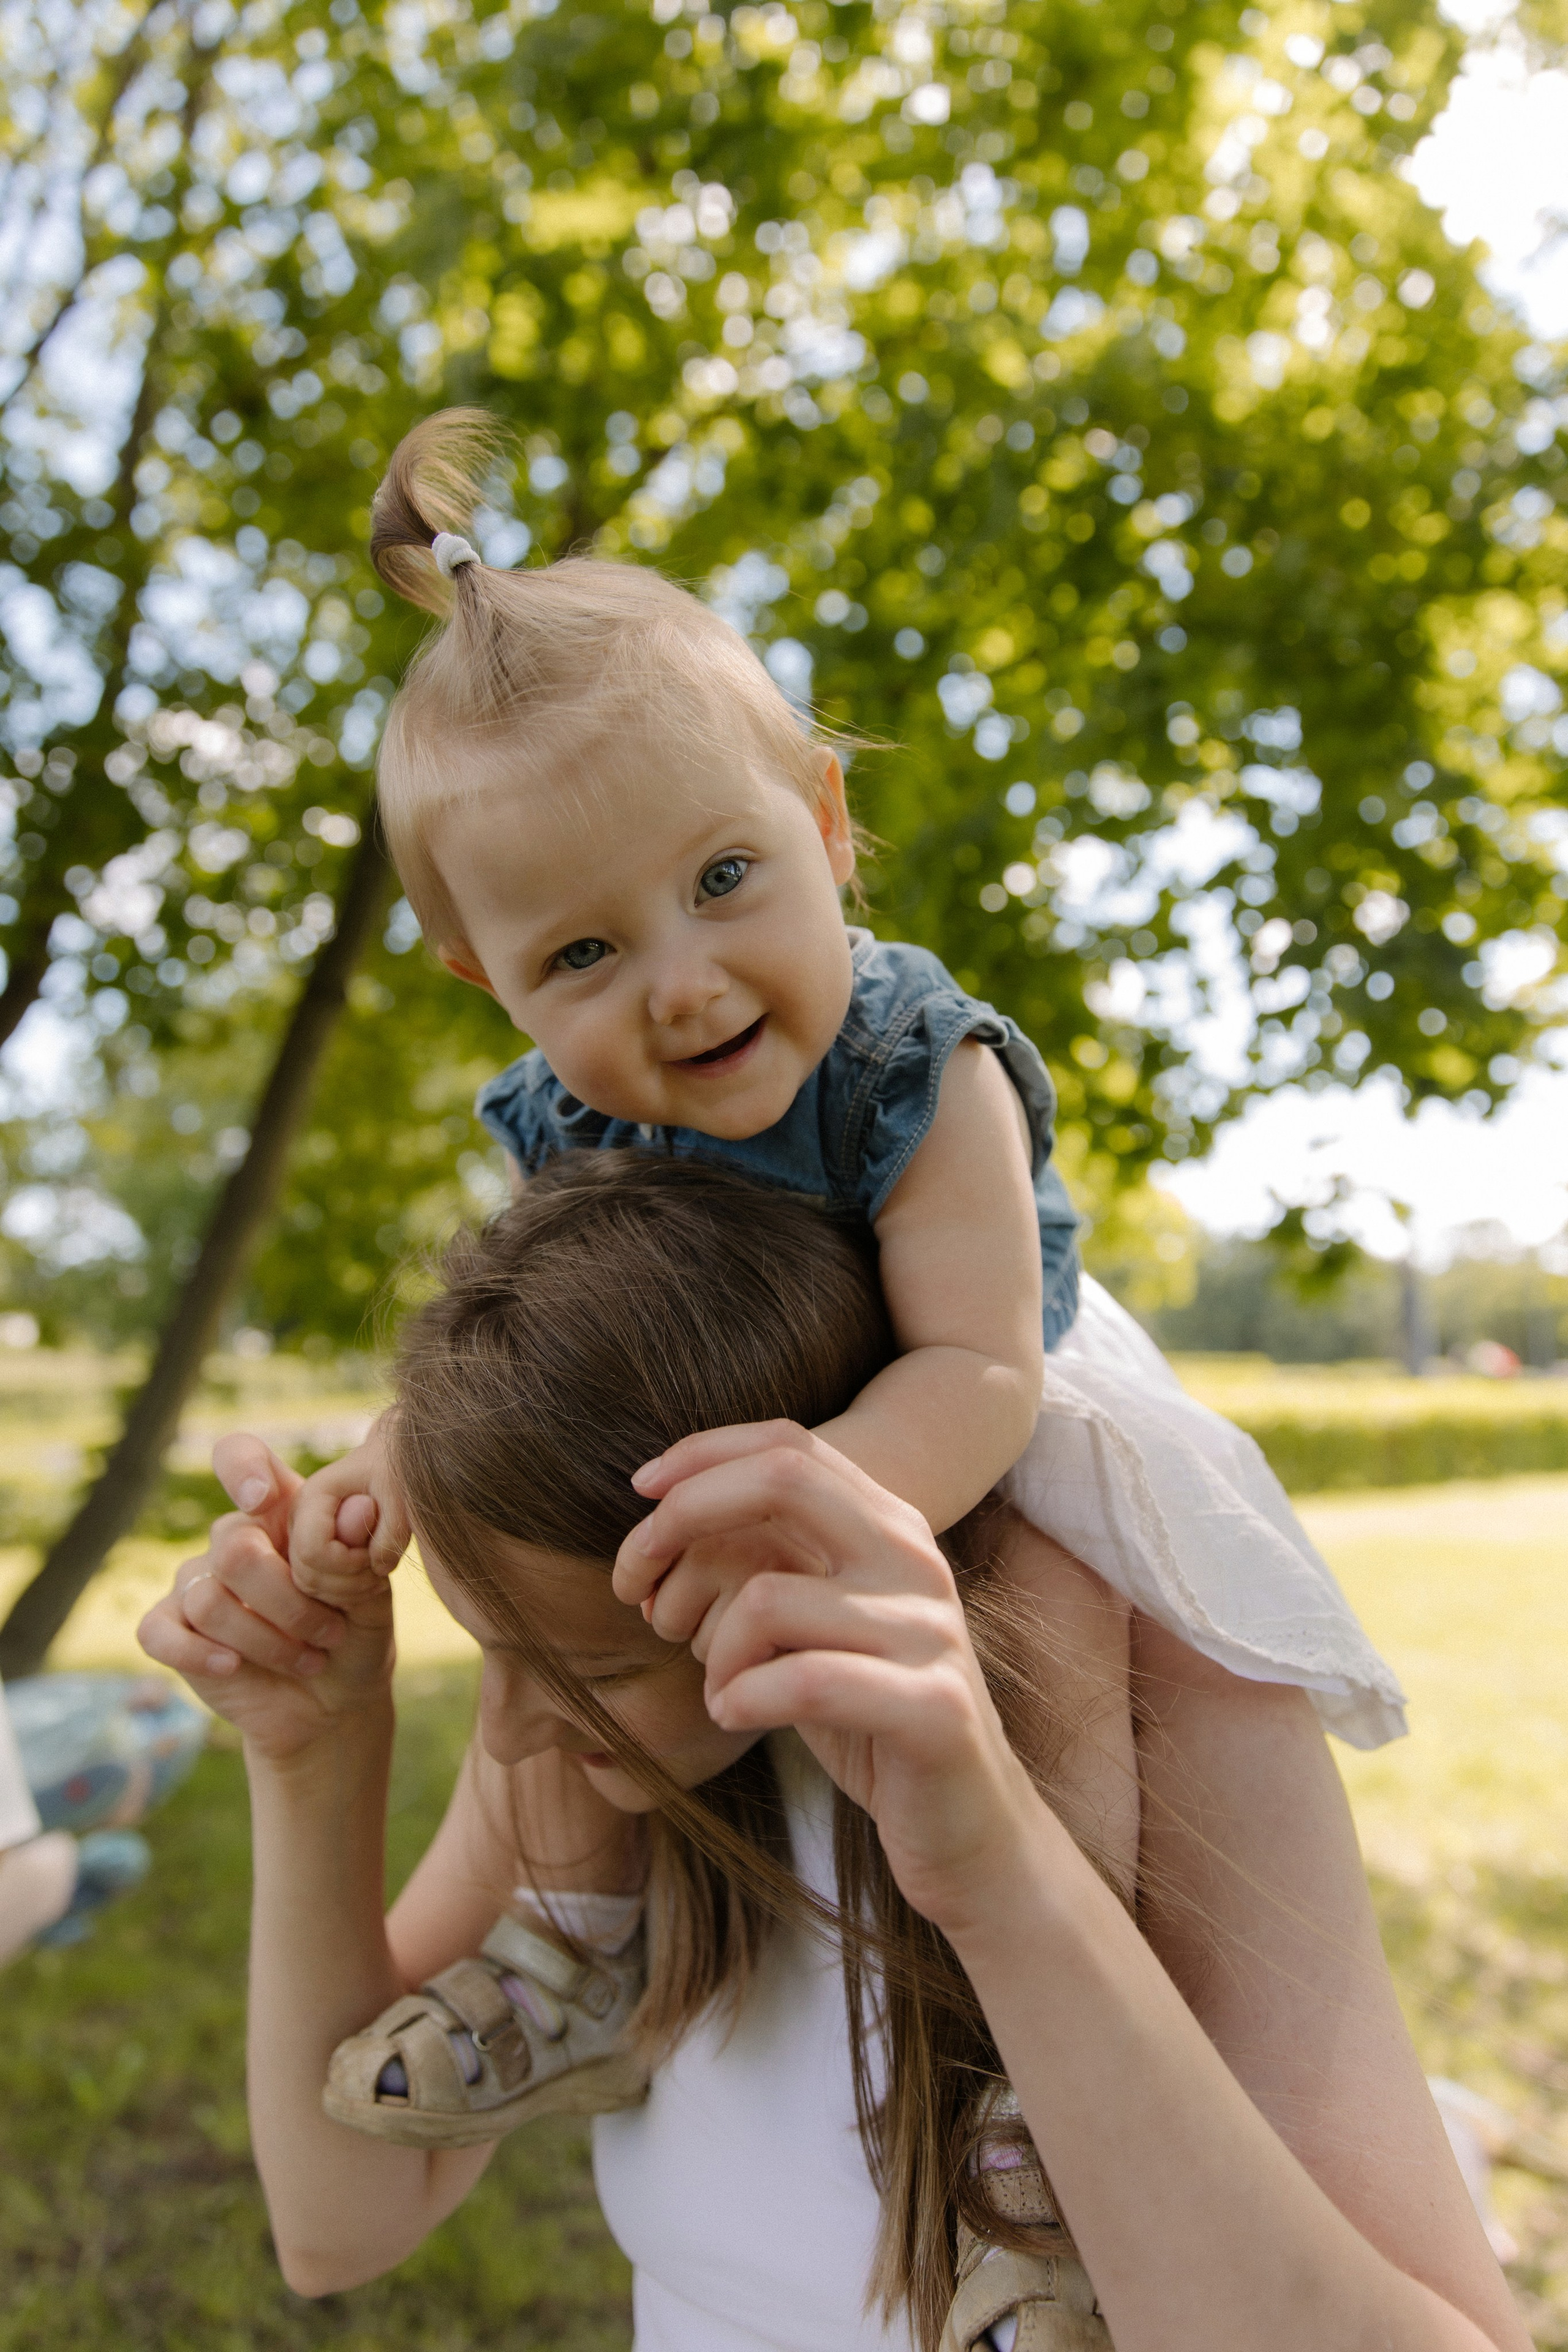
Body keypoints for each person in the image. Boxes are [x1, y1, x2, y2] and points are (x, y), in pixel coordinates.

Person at [238, 405, 1405, 2130]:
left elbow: (984, 1371)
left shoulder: (918, 1064)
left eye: (724, 877)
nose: (686, 983)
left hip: (960, 1401)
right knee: (542, 1641)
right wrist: (386, 1464)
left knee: (1048, 1623)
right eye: (582, 950)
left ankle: (1032, 2069)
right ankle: (570, 1955)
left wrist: (831, 1489)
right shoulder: (565, 1119)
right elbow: (540, 1357)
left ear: (828, 824)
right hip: (741, 1431)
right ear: (489, 982)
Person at [138, 1155, 1526, 2352]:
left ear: (785, 1548)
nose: (506, 1735)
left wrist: (998, 1877)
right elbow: (338, 2223)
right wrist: (314, 1752)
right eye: (490, 1656)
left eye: (593, 1668)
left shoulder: (1164, 1689)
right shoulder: (598, 1749)